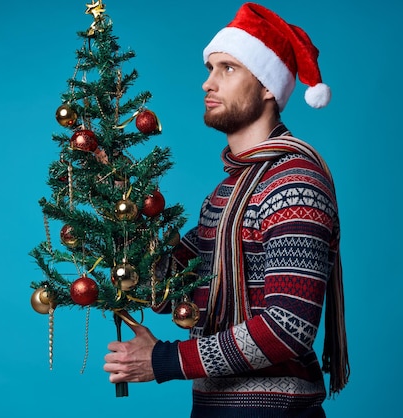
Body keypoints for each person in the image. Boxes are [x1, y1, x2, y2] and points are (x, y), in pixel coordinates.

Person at [103, 3, 349, 417]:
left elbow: (289, 327)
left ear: (268, 86)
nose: (207, 83)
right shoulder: (224, 194)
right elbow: (164, 291)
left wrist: (163, 360)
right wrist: (123, 207)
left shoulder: (294, 182)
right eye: (209, 68)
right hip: (215, 408)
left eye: (227, 68)